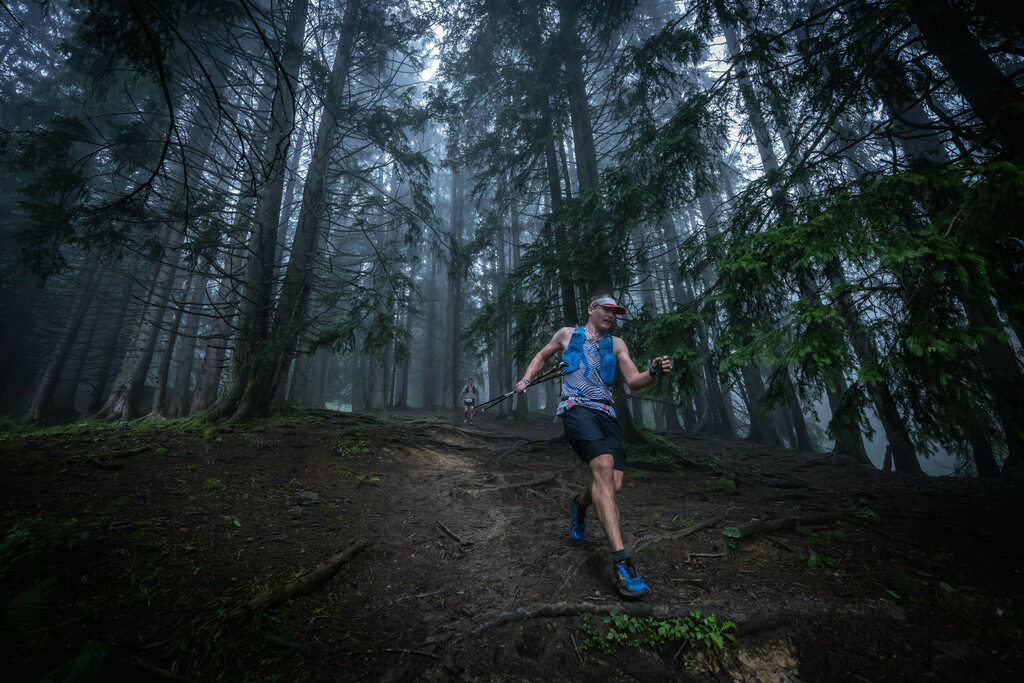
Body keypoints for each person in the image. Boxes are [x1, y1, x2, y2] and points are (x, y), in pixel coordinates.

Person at [515, 294, 671, 597]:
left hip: (606, 413)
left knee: (613, 484)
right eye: (606, 309)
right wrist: (525, 379)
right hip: (576, 409)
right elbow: (542, 355)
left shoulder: (616, 344)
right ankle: (623, 563)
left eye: (615, 312)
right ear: (591, 310)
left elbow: (633, 380)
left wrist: (653, 372)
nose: (611, 315)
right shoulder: (567, 334)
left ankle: (579, 503)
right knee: (603, 467)